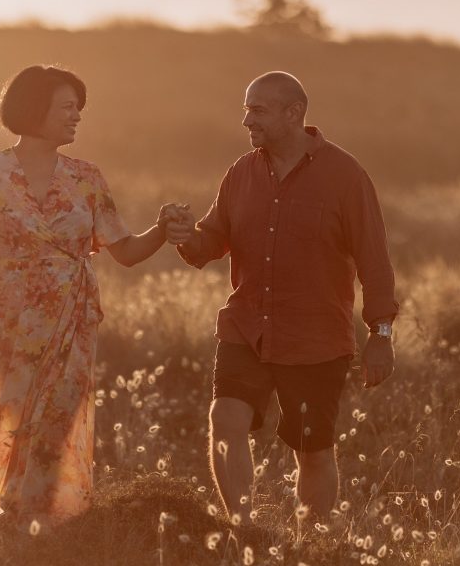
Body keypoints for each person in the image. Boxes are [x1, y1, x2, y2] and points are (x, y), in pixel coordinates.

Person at [0, 65, 175, 528]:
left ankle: (44, 526)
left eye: (79, 108)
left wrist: (163, 230)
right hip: (6, 318)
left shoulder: (86, 178)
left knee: (57, 422)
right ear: (34, 109)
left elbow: (127, 251)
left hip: (71, 318)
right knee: (7, 416)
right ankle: (2, 519)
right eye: (67, 107)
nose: (77, 116)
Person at [163, 71, 399, 524]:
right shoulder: (240, 172)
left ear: (294, 114)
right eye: (246, 109)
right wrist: (183, 236)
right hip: (246, 328)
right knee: (225, 421)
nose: (246, 120)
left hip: (316, 339)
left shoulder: (345, 175)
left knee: (311, 450)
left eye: (258, 110)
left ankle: (310, 545)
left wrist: (381, 333)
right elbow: (212, 240)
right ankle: (242, 530)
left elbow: (375, 259)